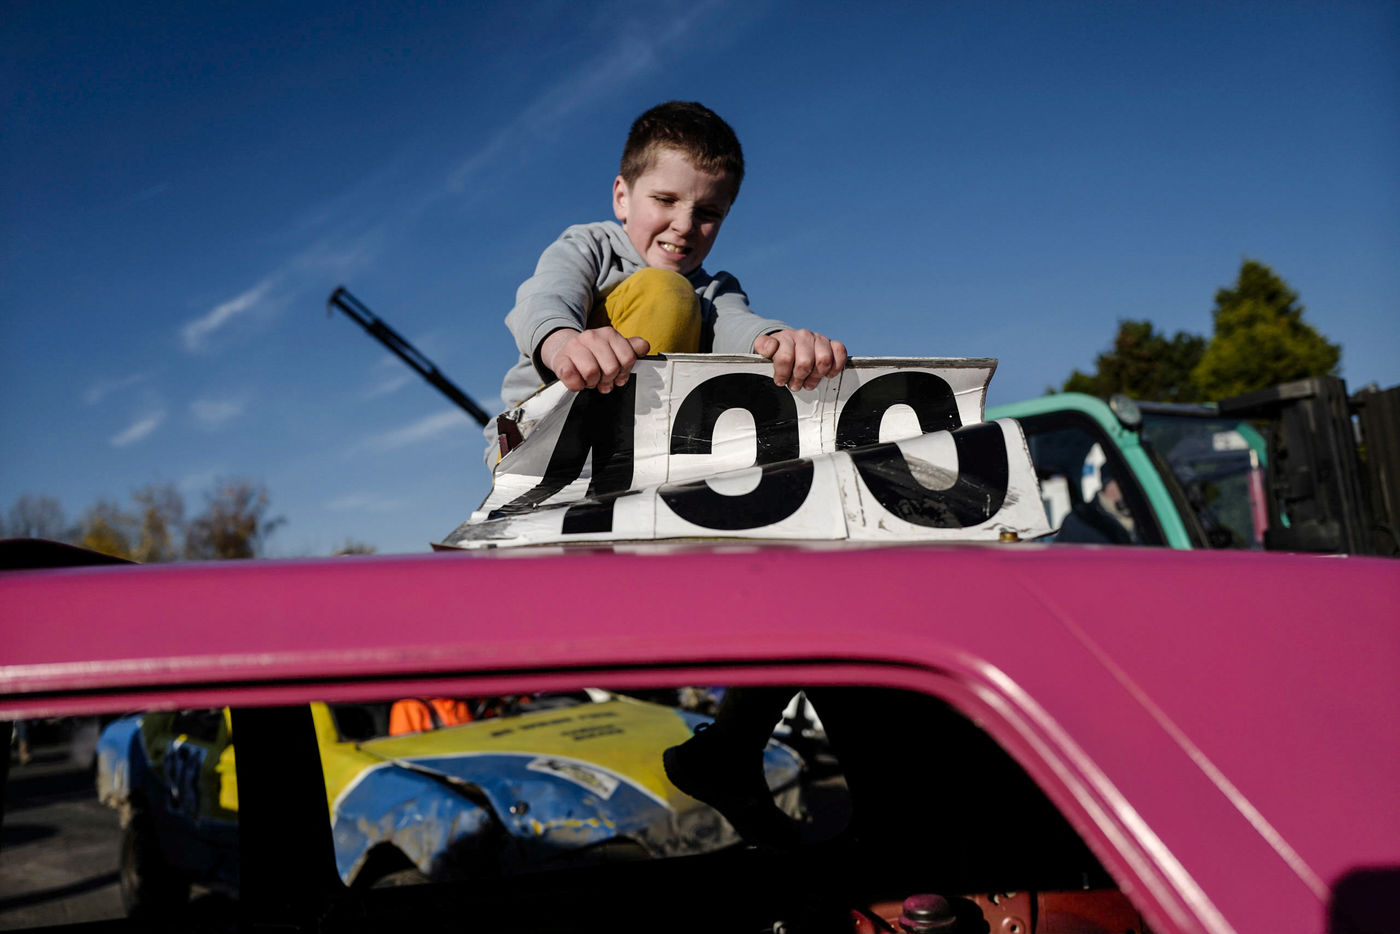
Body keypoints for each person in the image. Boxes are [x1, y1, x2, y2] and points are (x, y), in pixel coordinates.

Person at [492, 100, 847, 459]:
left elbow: (736, 324)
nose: (684, 225)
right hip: (540, 430)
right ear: (622, 198)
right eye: (665, 200)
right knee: (664, 289)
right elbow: (546, 296)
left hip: (657, 444)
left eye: (707, 213)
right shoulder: (591, 246)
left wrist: (781, 342)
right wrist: (563, 343)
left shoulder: (715, 290)